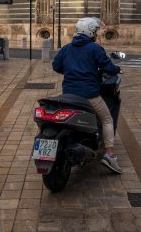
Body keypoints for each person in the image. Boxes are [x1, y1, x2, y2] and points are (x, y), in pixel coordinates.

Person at [52, 17, 123, 174]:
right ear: (90, 31)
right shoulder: (94, 48)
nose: (97, 34)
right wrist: (116, 69)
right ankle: (110, 155)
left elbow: (56, 66)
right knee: (107, 119)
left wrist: (70, 72)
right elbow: (108, 67)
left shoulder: (66, 48)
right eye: (96, 31)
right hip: (89, 94)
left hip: (68, 95)